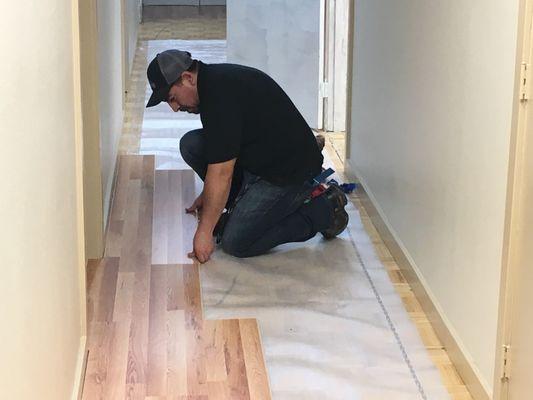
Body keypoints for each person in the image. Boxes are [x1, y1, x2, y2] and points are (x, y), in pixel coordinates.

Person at [146, 49, 349, 263]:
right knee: (191, 144)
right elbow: (222, 148)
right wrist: (209, 196)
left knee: (236, 241)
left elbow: (222, 171)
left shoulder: (220, 96)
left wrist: (204, 231)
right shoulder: (212, 84)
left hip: (289, 172)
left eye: (172, 98)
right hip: (263, 156)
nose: (175, 108)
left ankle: (324, 210)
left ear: (187, 78)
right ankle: (243, 207)